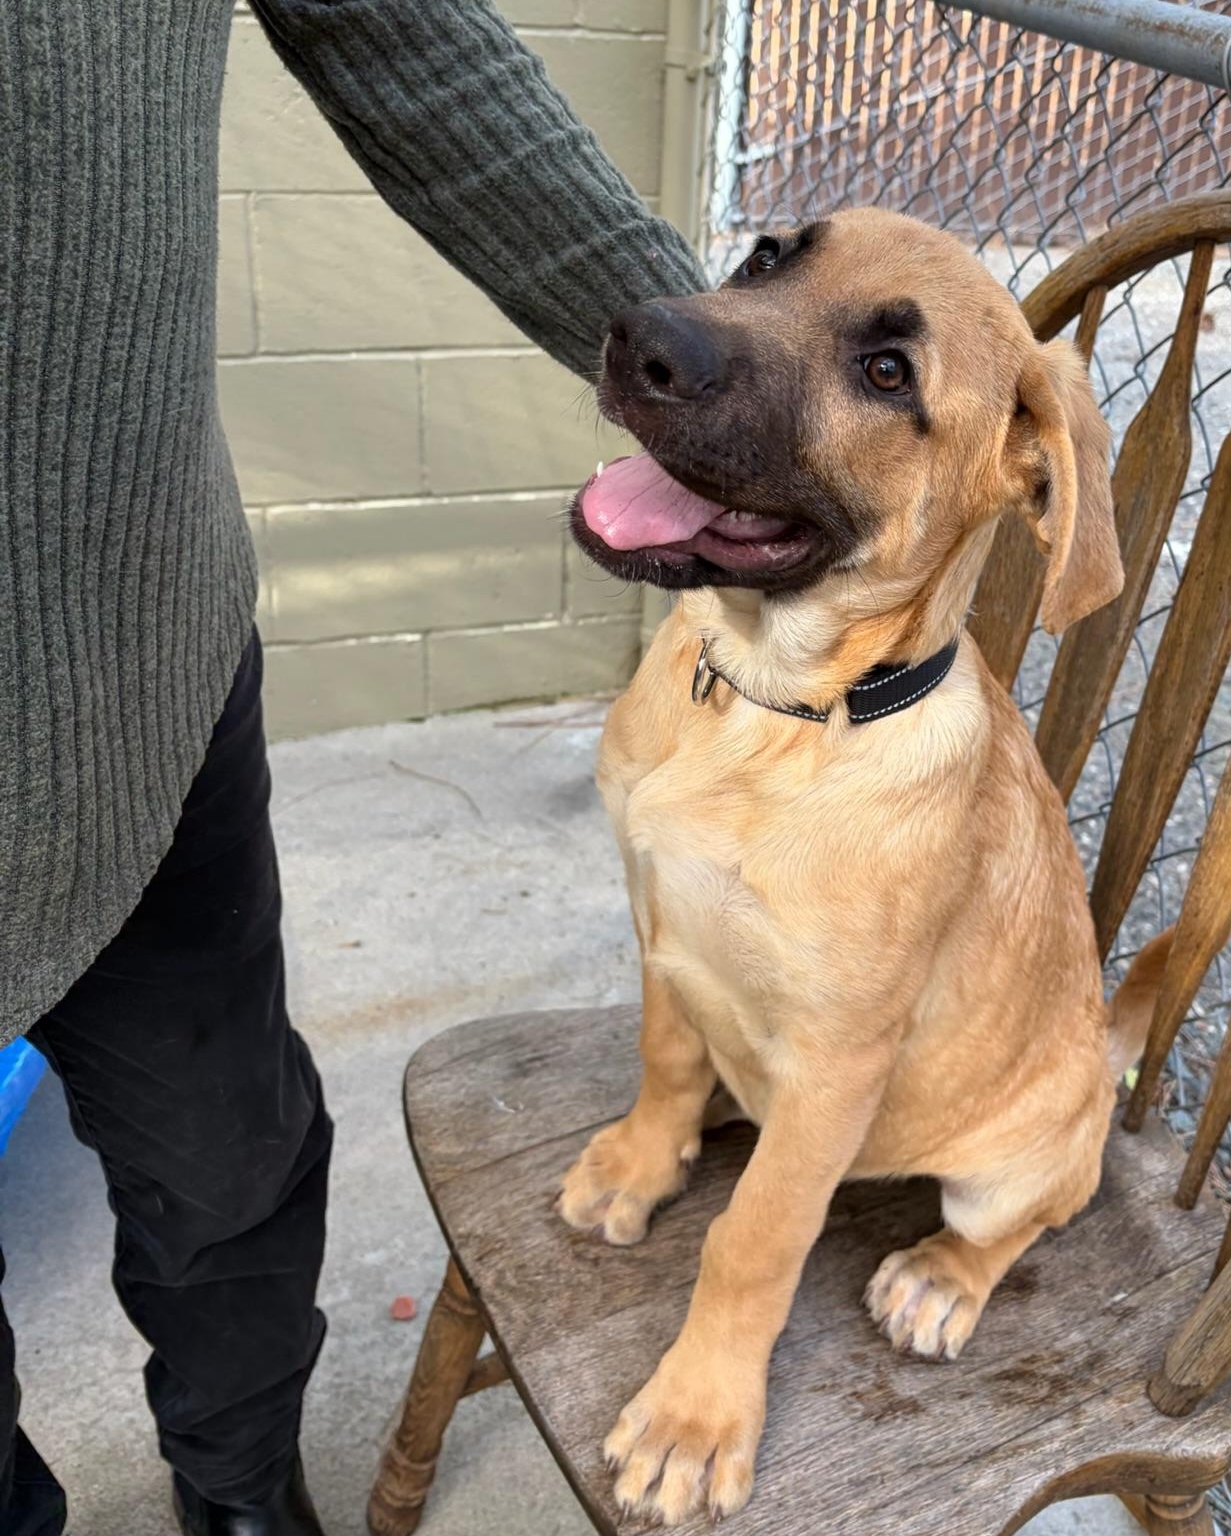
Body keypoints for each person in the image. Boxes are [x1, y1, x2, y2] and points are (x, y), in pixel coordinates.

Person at [0, 1, 706, 1531]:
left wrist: (727, 393)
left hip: (132, 671)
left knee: (230, 1166)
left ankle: (245, 1496)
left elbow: (408, 41)